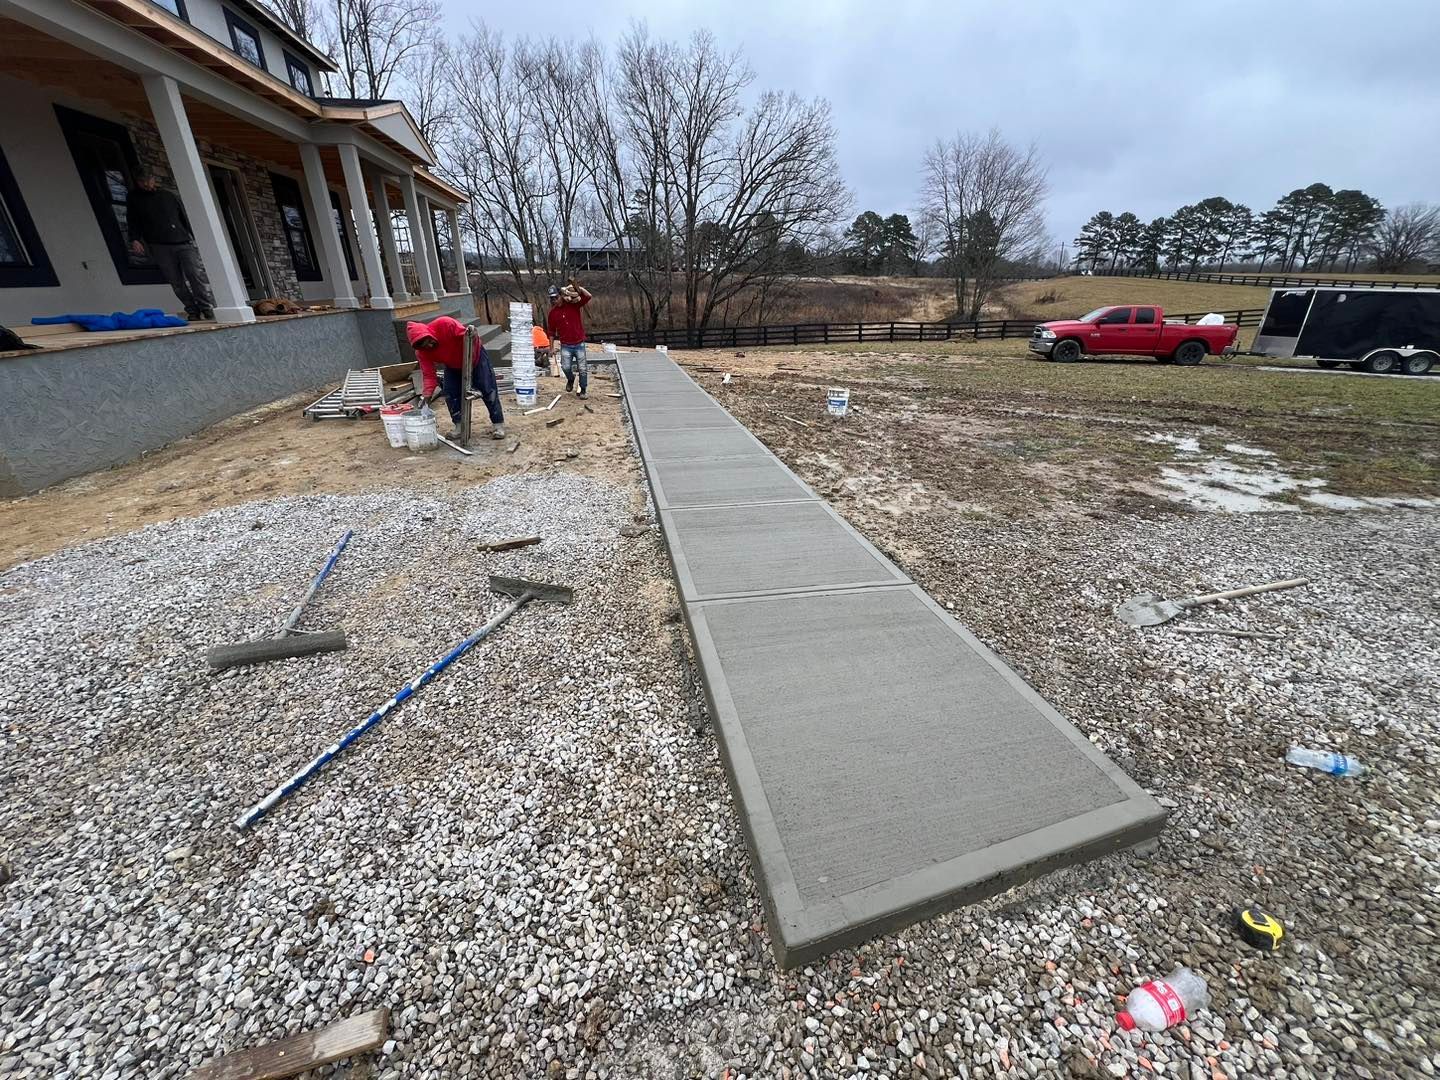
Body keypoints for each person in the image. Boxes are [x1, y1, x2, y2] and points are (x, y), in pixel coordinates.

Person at [128, 173, 215, 322]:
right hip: (159, 245)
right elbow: (132, 220)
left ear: (153, 179)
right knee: (176, 281)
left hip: (183, 241)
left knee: (195, 274)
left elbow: (183, 217)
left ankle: (206, 307)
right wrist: (135, 239)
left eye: (148, 180)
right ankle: (192, 309)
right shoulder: (134, 199)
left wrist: (194, 236)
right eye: (142, 181)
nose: (146, 184)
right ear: (137, 182)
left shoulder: (168, 196)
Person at [405, 316, 506, 440]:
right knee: (450, 392)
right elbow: (429, 375)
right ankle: (459, 426)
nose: (430, 346)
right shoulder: (422, 353)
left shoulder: (445, 324)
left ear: (429, 334)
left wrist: (470, 363)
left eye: (430, 342)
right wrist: (426, 396)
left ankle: (498, 425)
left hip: (476, 357)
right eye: (426, 346)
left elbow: (469, 337)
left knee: (488, 388)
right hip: (453, 365)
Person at [546, 278, 592, 398]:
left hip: (579, 342)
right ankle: (570, 379)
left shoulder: (573, 305)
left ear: (561, 295)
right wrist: (551, 348)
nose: (554, 300)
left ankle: (583, 390)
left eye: (556, 297)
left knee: (582, 369)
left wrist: (579, 288)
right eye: (552, 299)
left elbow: (588, 296)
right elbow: (551, 332)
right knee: (565, 367)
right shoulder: (553, 313)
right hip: (566, 344)